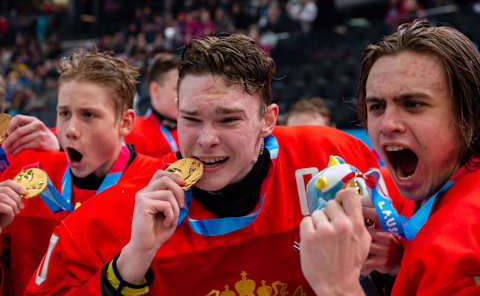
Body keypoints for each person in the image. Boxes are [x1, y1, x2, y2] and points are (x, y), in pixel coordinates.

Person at [26, 34, 379, 295]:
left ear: (268, 120)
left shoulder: (329, 159)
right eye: (192, 119)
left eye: (228, 120)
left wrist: (386, 259)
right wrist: (131, 262)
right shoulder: (114, 212)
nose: (206, 139)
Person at [300, 20, 480, 295]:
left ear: (469, 114)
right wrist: (400, 263)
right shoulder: (424, 183)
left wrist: (337, 287)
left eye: (413, 104)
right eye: (377, 106)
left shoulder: (468, 232)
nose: (387, 124)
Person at [0, 50, 164, 296]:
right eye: (64, 113)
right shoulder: (21, 175)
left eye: (88, 115)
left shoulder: (155, 187)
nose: (70, 130)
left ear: (125, 123)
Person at [125, 53, 179, 157]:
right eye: (177, 89)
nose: (185, 96)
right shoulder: (133, 134)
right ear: (155, 90)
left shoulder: (194, 129)